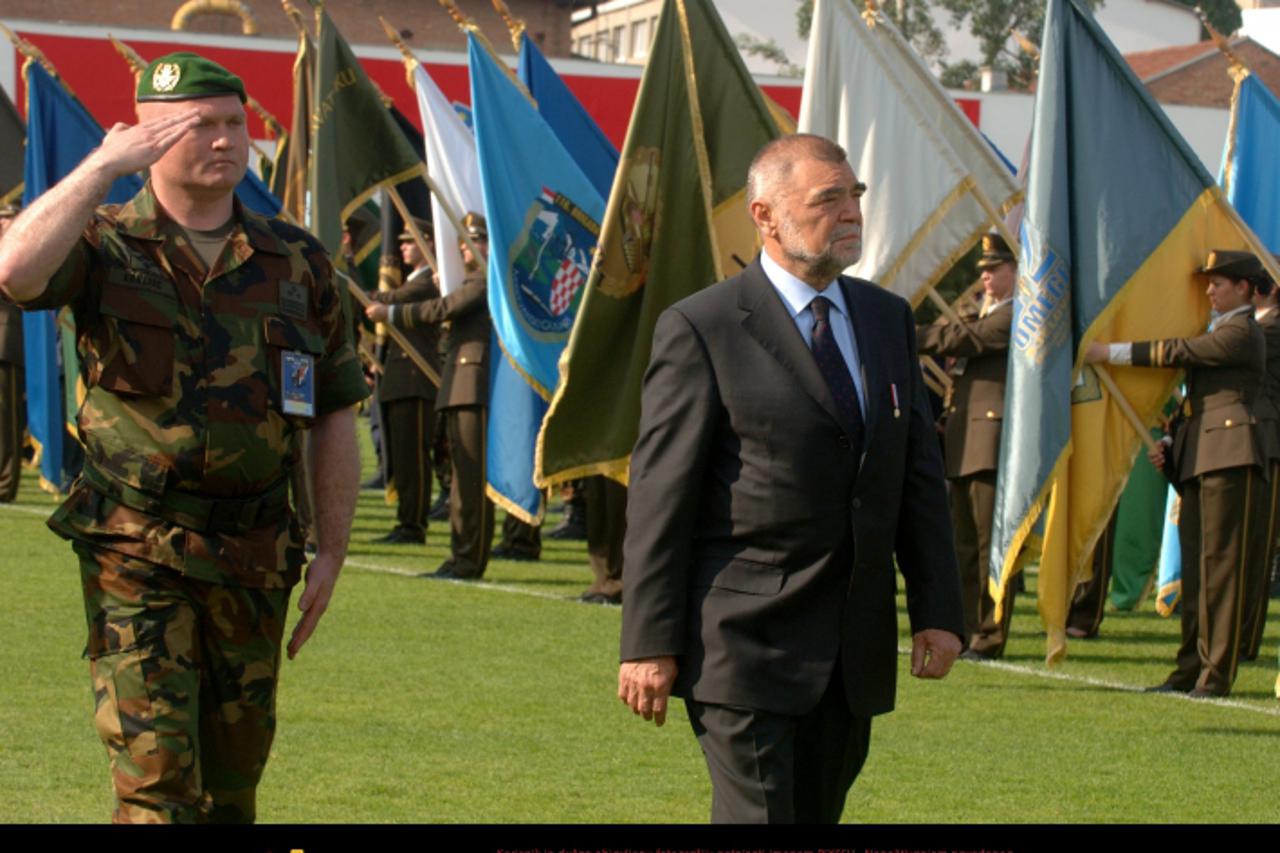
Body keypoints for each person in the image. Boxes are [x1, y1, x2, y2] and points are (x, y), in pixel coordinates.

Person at [0, 52, 368, 823]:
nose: (227, 139)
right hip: (137, 551)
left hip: (255, 553)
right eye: (202, 124)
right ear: (153, 136)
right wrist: (103, 166)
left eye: (235, 122)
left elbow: (334, 407)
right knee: (158, 789)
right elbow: (15, 271)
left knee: (232, 795)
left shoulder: (296, 261)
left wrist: (332, 546)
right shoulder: (106, 243)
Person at [617, 134, 964, 824]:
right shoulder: (703, 326)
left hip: (850, 655)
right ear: (766, 215)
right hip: (743, 647)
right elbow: (662, 497)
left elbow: (915, 477)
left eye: (854, 196)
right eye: (827, 199)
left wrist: (938, 609)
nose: (850, 213)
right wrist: (648, 641)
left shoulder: (886, 318)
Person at [1087, 249, 1267, 698]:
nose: (1209, 291)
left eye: (1219, 284)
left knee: (1220, 569)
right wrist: (1172, 441)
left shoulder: (1243, 331)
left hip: (1230, 452)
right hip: (1202, 452)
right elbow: (1198, 399)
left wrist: (1110, 352)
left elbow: (1180, 352)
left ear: (1245, 288)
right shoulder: (1222, 327)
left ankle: (1216, 673)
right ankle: (1189, 668)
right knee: (1198, 569)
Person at [366, 213, 493, 580]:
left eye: (479, 241)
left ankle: (468, 559)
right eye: (468, 241)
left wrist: (391, 312)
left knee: (469, 478)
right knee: (461, 476)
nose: (472, 248)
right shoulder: (465, 280)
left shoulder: (485, 277)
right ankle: (460, 556)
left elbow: (442, 309)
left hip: (474, 380)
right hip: (457, 380)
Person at [916, 232, 1017, 658]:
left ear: (1016, 271)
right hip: (964, 438)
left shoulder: (1015, 314)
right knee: (962, 545)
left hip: (990, 441)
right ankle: (971, 628)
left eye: (995, 269)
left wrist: (901, 330)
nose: (987, 277)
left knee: (988, 545)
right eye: (983, 271)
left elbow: (965, 341)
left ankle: (991, 633)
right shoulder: (984, 312)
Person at [371, 218, 442, 545]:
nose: (401, 248)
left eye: (410, 242)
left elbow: (390, 301)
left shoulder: (428, 281)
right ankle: (406, 521)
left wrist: (358, 291)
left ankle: (413, 524)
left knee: (413, 458)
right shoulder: (416, 280)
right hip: (399, 380)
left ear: (427, 245)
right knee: (402, 457)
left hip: (416, 380)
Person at [0, 201, 24, 502]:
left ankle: (5, 485)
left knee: (7, 416)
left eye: (6, 219)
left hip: (6, 340)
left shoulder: (20, 253)